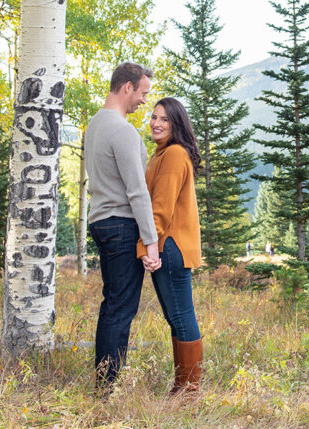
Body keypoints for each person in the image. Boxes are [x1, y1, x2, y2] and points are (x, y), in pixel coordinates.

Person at [85, 62, 162, 391]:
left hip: (100, 222)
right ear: (127, 87)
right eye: (143, 92)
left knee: (112, 303)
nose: (145, 100)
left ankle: (105, 381)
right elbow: (137, 191)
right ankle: (107, 387)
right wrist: (152, 241)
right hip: (121, 225)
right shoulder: (122, 130)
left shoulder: (94, 125)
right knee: (121, 307)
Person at [136, 97, 204, 395]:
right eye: (153, 117)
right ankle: (182, 387)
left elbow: (159, 210)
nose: (156, 123)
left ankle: (188, 390)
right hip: (165, 245)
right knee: (174, 317)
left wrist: (144, 246)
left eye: (164, 119)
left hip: (170, 246)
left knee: (181, 316)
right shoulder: (161, 154)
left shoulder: (174, 155)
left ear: (176, 124)